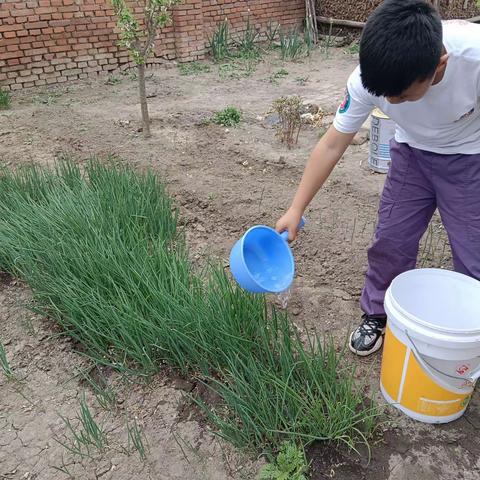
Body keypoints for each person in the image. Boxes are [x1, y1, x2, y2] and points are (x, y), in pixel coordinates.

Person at [275, 0, 480, 356]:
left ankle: (467, 334)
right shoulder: (370, 80)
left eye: (399, 95)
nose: (389, 101)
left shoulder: (475, 59)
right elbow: (331, 145)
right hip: (411, 156)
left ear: (439, 66)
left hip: (469, 159)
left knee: (473, 253)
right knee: (391, 240)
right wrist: (295, 209)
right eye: (383, 95)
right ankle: (377, 314)